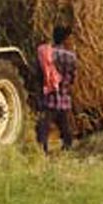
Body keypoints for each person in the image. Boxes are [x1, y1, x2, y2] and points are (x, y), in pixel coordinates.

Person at [36, 25, 78, 153]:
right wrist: (66, 83)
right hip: (64, 97)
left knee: (44, 126)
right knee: (65, 127)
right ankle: (68, 148)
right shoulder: (71, 56)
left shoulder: (46, 54)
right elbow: (73, 76)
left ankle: (42, 151)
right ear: (65, 39)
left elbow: (39, 73)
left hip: (49, 97)